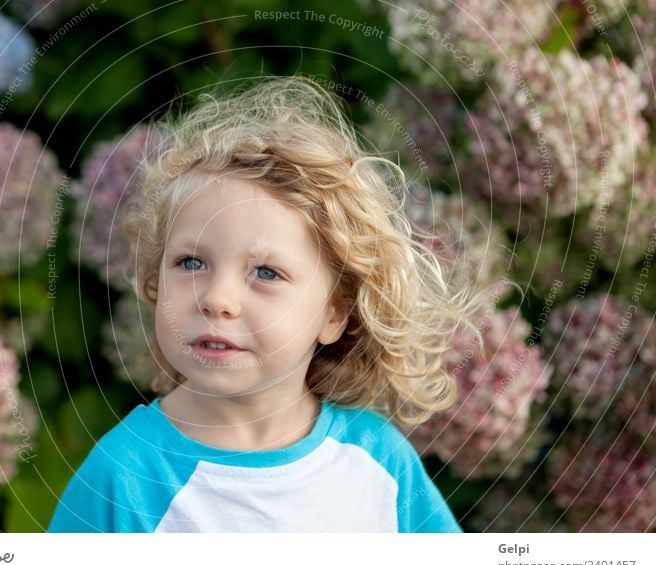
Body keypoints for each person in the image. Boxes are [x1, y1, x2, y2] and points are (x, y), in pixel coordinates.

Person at [48, 76, 488, 533]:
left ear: (335, 313)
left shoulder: (379, 460)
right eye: (191, 261)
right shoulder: (124, 476)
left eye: (266, 273)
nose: (217, 298)